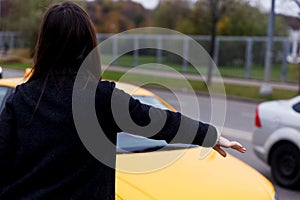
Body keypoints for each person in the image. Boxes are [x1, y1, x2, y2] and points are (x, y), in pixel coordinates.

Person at [0, 1, 246, 199]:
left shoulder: (21, 98)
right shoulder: (101, 98)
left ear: (45, 45)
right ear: (87, 46)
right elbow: (159, 121)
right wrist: (209, 136)